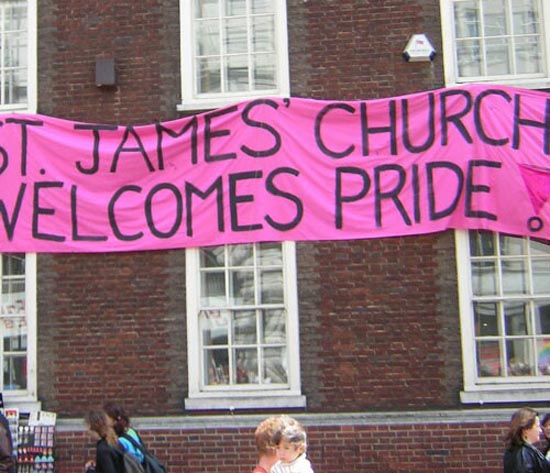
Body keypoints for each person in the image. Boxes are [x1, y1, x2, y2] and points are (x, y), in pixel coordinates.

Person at [503, 407, 550, 473]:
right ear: (526, 429)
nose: (540, 430)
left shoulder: (515, 450)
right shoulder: (523, 455)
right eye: (537, 426)